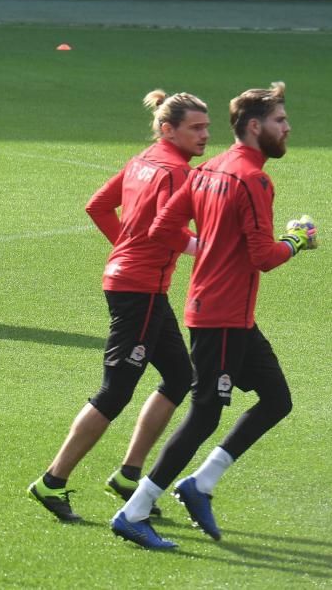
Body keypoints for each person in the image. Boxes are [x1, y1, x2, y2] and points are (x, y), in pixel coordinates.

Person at [112, 82, 318, 550]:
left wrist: (209, 251)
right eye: (280, 121)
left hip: (223, 312)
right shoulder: (254, 179)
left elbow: (163, 227)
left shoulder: (206, 170)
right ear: (254, 126)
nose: (287, 129)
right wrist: (298, 240)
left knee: (276, 399)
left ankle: (200, 484)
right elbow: (264, 256)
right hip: (222, 315)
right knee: (205, 414)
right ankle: (133, 510)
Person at [29, 91, 210, 522]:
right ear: (169, 129)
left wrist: (126, 250)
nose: (205, 135)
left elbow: (98, 206)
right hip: (140, 290)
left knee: (180, 375)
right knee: (115, 391)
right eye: (196, 128)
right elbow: (164, 232)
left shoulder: (144, 159)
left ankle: (129, 477)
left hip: (135, 283)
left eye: (206, 127)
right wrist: (205, 251)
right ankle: (52, 481)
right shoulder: (176, 172)